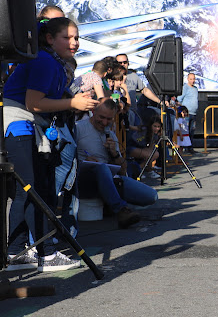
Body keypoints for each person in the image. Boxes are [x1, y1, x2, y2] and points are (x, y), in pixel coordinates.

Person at [3, 17, 98, 272]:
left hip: (30, 125)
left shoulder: (54, 62)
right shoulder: (45, 61)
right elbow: (34, 103)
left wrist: (74, 99)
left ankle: (17, 252)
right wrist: (72, 103)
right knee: (32, 190)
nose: (74, 42)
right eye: (67, 37)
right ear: (49, 39)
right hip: (18, 123)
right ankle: (45, 254)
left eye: (76, 37)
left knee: (32, 190)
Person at [76, 100, 158, 226]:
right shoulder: (79, 128)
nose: (104, 123)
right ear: (94, 112)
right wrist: (82, 160)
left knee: (151, 196)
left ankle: (110, 201)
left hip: (110, 179)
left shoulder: (111, 136)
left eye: (108, 119)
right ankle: (120, 209)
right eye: (101, 118)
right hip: (85, 178)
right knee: (101, 168)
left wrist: (114, 153)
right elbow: (66, 157)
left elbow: (123, 170)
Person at [176, 72, 199, 152]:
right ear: (188, 79)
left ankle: (190, 147)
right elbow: (179, 99)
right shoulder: (185, 88)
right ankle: (184, 147)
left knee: (192, 130)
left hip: (193, 113)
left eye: (194, 79)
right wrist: (182, 110)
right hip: (186, 114)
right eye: (191, 79)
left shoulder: (195, 88)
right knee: (185, 130)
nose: (193, 81)